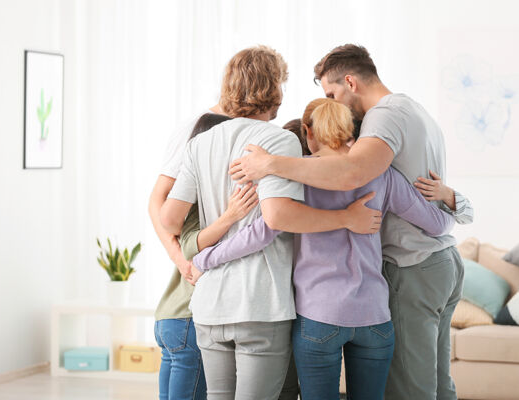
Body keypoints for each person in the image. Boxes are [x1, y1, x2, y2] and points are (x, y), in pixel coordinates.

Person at [228, 44, 474, 400]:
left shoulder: (381, 119)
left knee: (412, 391)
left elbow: (350, 174)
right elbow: (438, 223)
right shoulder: (413, 116)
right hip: (423, 275)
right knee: (438, 383)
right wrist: (455, 201)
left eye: (332, 94)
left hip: (395, 277)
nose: (335, 103)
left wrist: (271, 165)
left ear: (349, 82)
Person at [188, 98, 457, 399]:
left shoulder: (296, 172)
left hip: (319, 317)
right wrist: (450, 196)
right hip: (375, 317)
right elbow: (436, 225)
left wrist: (204, 258)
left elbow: (262, 232)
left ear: (308, 132)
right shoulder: (383, 174)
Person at [159, 45, 382, 400]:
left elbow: (170, 218)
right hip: (259, 305)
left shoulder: (200, 143)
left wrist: (213, 235)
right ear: (275, 89)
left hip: (209, 305)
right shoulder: (279, 140)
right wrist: (345, 218)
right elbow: (278, 216)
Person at [150, 112, 262, 400]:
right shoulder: (201, 200)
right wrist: (231, 216)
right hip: (189, 317)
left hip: (169, 317)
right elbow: (191, 245)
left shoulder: (190, 196)